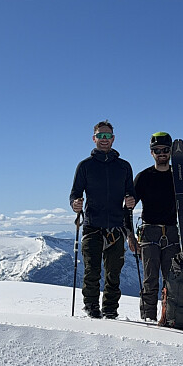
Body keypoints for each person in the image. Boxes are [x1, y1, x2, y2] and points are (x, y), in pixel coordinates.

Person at [69, 121, 135, 319]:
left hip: (116, 226)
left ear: (113, 139)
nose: (104, 140)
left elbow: (130, 194)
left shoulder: (124, 167)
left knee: (113, 273)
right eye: (101, 136)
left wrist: (130, 200)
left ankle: (110, 309)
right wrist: (75, 204)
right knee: (92, 271)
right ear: (94, 138)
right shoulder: (85, 166)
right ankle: (91, 307)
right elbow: (74, 194)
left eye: (108, 136)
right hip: (92, 226)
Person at [132, 132, 179, 321]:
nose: (161, 153)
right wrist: (129, 236)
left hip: (172, 232)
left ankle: (169, 319)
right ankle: (148, 320)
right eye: (157, 150)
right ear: (151, 153)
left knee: (172, 281)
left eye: (165, 150)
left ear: (170, 152)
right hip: (149, 232)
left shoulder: (179, 178)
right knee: (150, 281)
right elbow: (127, 208)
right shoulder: (143, 177)